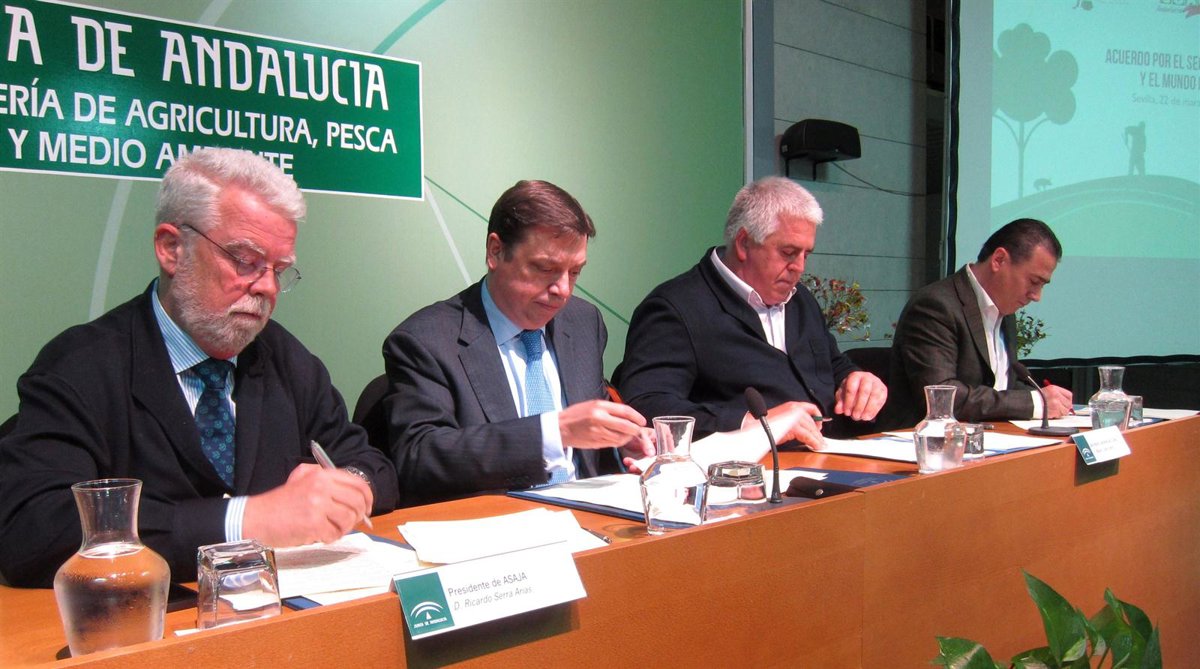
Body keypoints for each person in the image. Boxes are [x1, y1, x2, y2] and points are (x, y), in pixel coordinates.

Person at [0, 148, 398, 587]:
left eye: (279, 269)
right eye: (245, 261)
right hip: (153, 617)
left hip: (285, 610)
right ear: (171, 249)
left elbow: (371, 464)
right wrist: (245, 520)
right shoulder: (80, 367)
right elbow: (33, 528)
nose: (267, 287)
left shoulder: (286, 359)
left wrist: (346, 486)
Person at [383, 180, 654, 507]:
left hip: (590, 519)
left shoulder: (584, 323)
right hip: (494, 524)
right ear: (495, 251)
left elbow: (586, 448)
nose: (563, 289)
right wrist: (554, 432)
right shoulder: (426, 340)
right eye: (545, 268)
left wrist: (618, 442)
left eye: (575, 272)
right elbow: (419, 458)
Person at [614, 176, 886, 448]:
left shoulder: (801, 299)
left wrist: (855, 380)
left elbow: (831, 364)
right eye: (789, 252)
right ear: (744, 243)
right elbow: (646, 405)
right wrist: (751, 424)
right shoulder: (676, 307)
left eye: (806, 254)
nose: (800, 267)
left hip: (837, 453)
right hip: (750, 467)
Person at [878, 218, 1074, 430]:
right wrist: (1034, 402)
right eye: (1034, 282)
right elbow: (941, 397)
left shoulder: (1005, 310)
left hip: (991, 439)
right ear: (998, 260)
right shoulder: (935, 305)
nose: (1037, 296)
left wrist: (1049, 399)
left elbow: (1002, 385)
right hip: (924, 443)